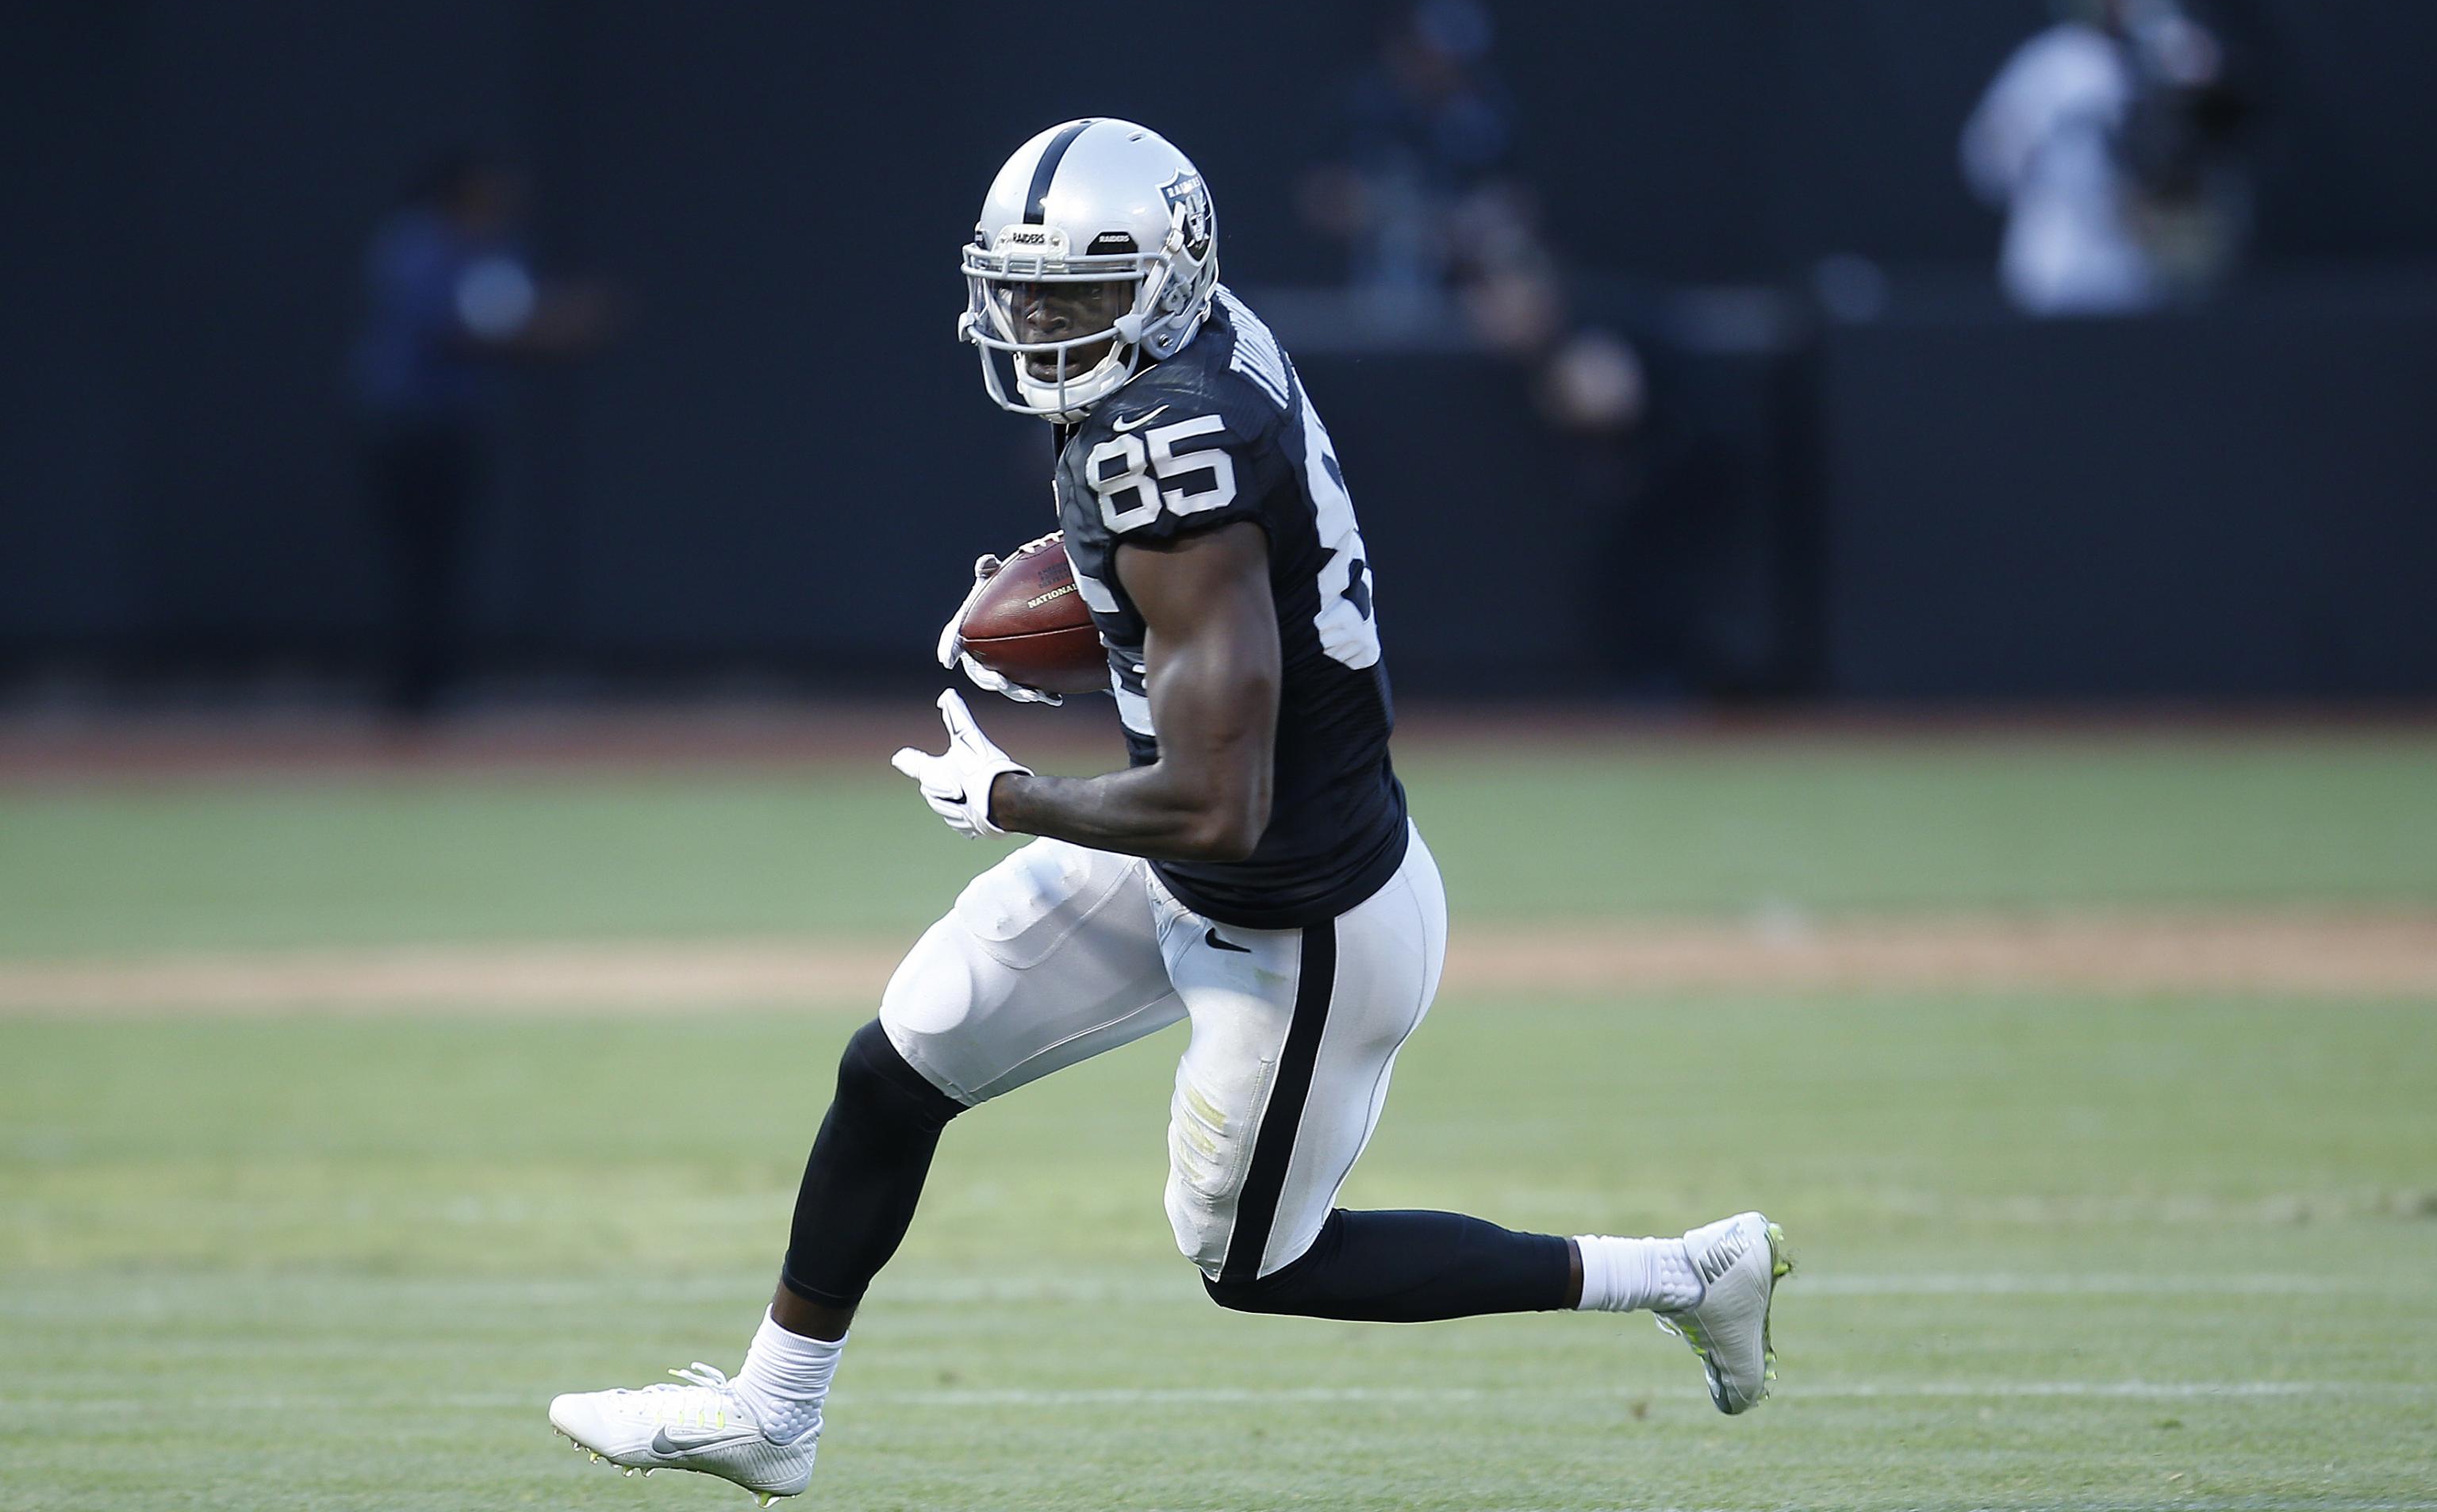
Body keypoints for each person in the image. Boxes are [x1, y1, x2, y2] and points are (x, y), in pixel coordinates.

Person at [545, 119, 1789, 1505]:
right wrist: (1093, 598)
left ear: (1165, 279)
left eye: (1074, 295)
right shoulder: (1190, 362)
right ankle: (772, 1411)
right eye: (1020, 290)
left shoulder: (1168, 444)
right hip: (1192, 864)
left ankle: (1681, 1270)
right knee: (898, 1060)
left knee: (1257, 1261)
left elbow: (1216, 799)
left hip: (1297, 909)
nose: (1036, 323)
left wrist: (1008, 791)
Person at [344, 152, 616, 716]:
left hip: (458, 423)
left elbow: (506, 315)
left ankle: (439, 684)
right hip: (404, 424)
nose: (501, 202)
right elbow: (451, 329)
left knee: (448, 559)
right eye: (489, 191)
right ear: (460, 191)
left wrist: (554, 322)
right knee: (413, 559)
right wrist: (553, 327)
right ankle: (408, 691)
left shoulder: (497, 248)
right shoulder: (416, 243)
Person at [1962, 0, 2248, 316]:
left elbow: (2219, 116)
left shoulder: (2165, 45)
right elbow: (1988, 152)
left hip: (2147, 264)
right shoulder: (2056, 60)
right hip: (2060, 258)